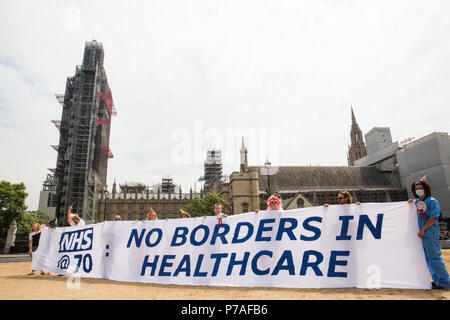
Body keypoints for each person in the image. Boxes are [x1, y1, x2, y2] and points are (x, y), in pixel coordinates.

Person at [408, 179, 450, 290]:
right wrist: (408, 203)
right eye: (416, 189)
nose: (419, 191)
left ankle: (445, 282)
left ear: (426, 189)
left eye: (420, 188)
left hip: (430, 233)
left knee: (434, 257)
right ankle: (437, 280)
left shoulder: (432, 201)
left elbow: (433, 218)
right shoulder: (417, 202)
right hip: (422, 235)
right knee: (428, 259)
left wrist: (423, 230)